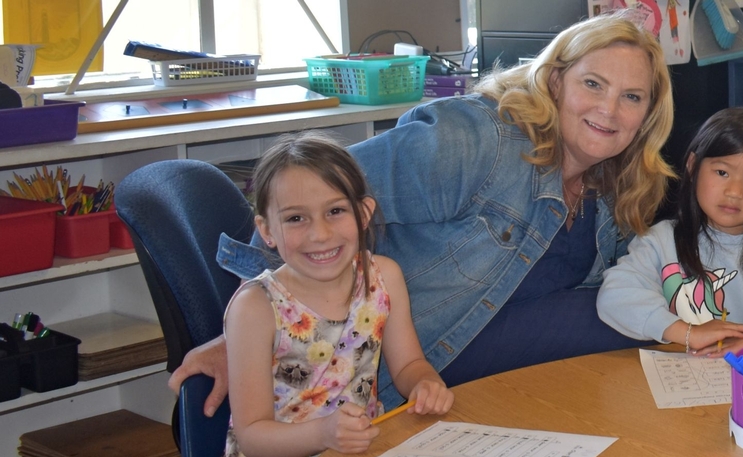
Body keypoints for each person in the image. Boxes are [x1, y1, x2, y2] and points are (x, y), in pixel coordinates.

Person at [172, 11, 677, 414]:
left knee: (629, 315)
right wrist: (238, 332)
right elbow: (303, 203)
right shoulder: (477, 139)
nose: (609, 110)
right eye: (593, 84)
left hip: (499, 378)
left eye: (630, 97)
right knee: (626, 318)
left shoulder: (615, 182)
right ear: (556, 80)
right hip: (412, 363)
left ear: (647, 114)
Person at [213, 132, 454, 457]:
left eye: (335, 211)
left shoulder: (383, 278)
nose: (319, 233)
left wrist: (425, 384)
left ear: (364, 213)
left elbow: (409, 365)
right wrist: (323, 434)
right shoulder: (255, 308)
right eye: (295, 218)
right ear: (267, 231)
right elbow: (253, 435)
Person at [598, 107, 743, 356]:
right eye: (722, 173)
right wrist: (688, 333)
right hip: (679, 380)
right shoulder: (660, 242)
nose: (734, 192)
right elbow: (615, 296)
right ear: (693, 165)